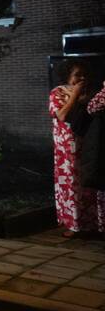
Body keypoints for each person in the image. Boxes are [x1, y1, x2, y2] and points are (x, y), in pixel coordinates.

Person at [49, 59, 105, 237]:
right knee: (71, 185)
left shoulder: (92, 92)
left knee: (89, 184)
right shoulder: (57, 92)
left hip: (89, 144)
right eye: (77, 75)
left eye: (84, 74)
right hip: (66, 149)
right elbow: (62, 114)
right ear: (67, 76)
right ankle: (74, 225)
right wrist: (75, 95)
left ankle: (93, 224)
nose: (81, 78)